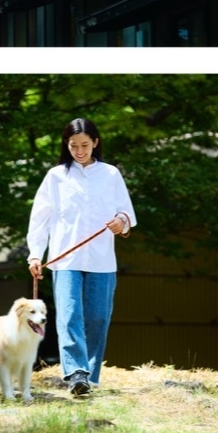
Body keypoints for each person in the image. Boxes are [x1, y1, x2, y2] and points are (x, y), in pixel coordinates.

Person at [26, 118, 136, 398]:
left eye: (85, 145)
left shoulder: (111, 174)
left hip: (101, 260)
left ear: (95, 143)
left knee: (99, 317)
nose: (79, 150)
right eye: (73, 145)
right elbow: (39, 218)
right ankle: (76, 374)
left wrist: (120, 221)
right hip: (65, 260)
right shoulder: (56, 176)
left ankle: (90, 374)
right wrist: (35, 255)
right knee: (69, 315)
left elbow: (127, 213)